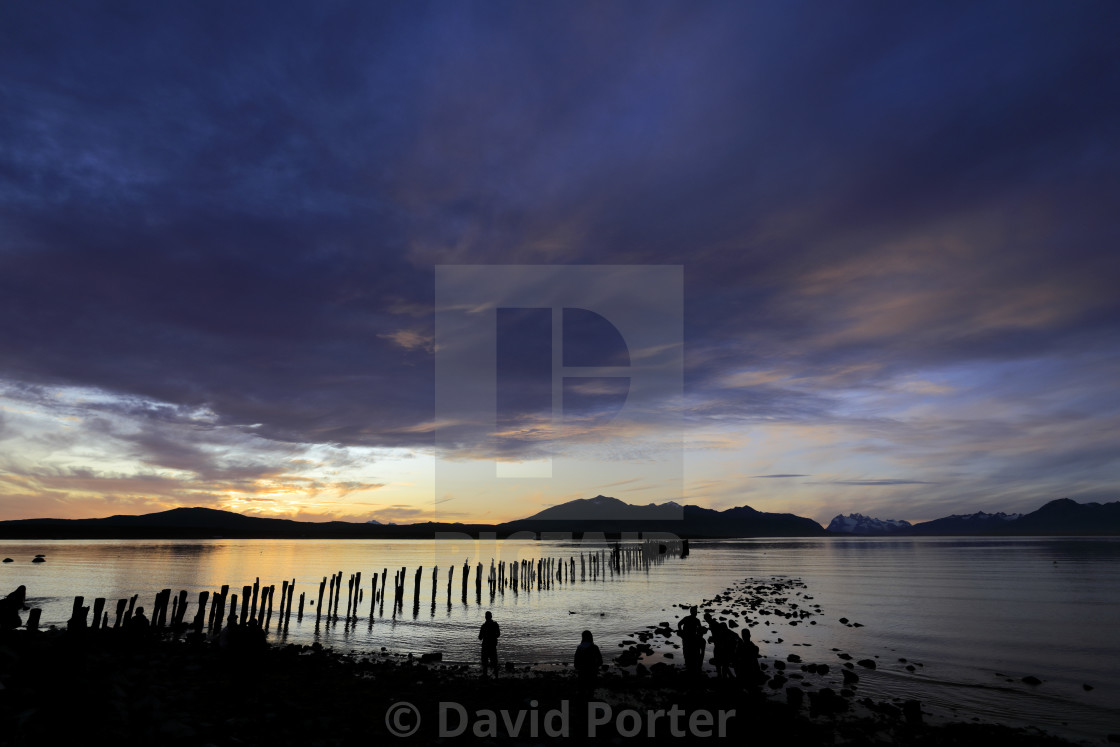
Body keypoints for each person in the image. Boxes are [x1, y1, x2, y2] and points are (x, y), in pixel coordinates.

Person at [677, 606, 706, 675]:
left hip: (689, 638)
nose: (695, 613)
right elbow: (700, 630)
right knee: (690, 653)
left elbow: (679, 624)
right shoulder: (695, 620)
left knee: (688, 653)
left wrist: (681, 632)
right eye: (694, 612)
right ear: (692, 612)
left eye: (695, 612)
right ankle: (692, 668)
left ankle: (690, 668)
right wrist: (682, 632)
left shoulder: (689, 619)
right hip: (689, 638)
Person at [479, 610, 500, 677]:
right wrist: (493, 636)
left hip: (485, 645)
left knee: (485, 662)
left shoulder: (483, 626)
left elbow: (480, 637)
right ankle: (496, 676)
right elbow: (498, 634)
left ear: (485, 617)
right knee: (494, 662)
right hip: (493, 645)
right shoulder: (495, 624)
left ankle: (485, 676)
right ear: (491, 616)